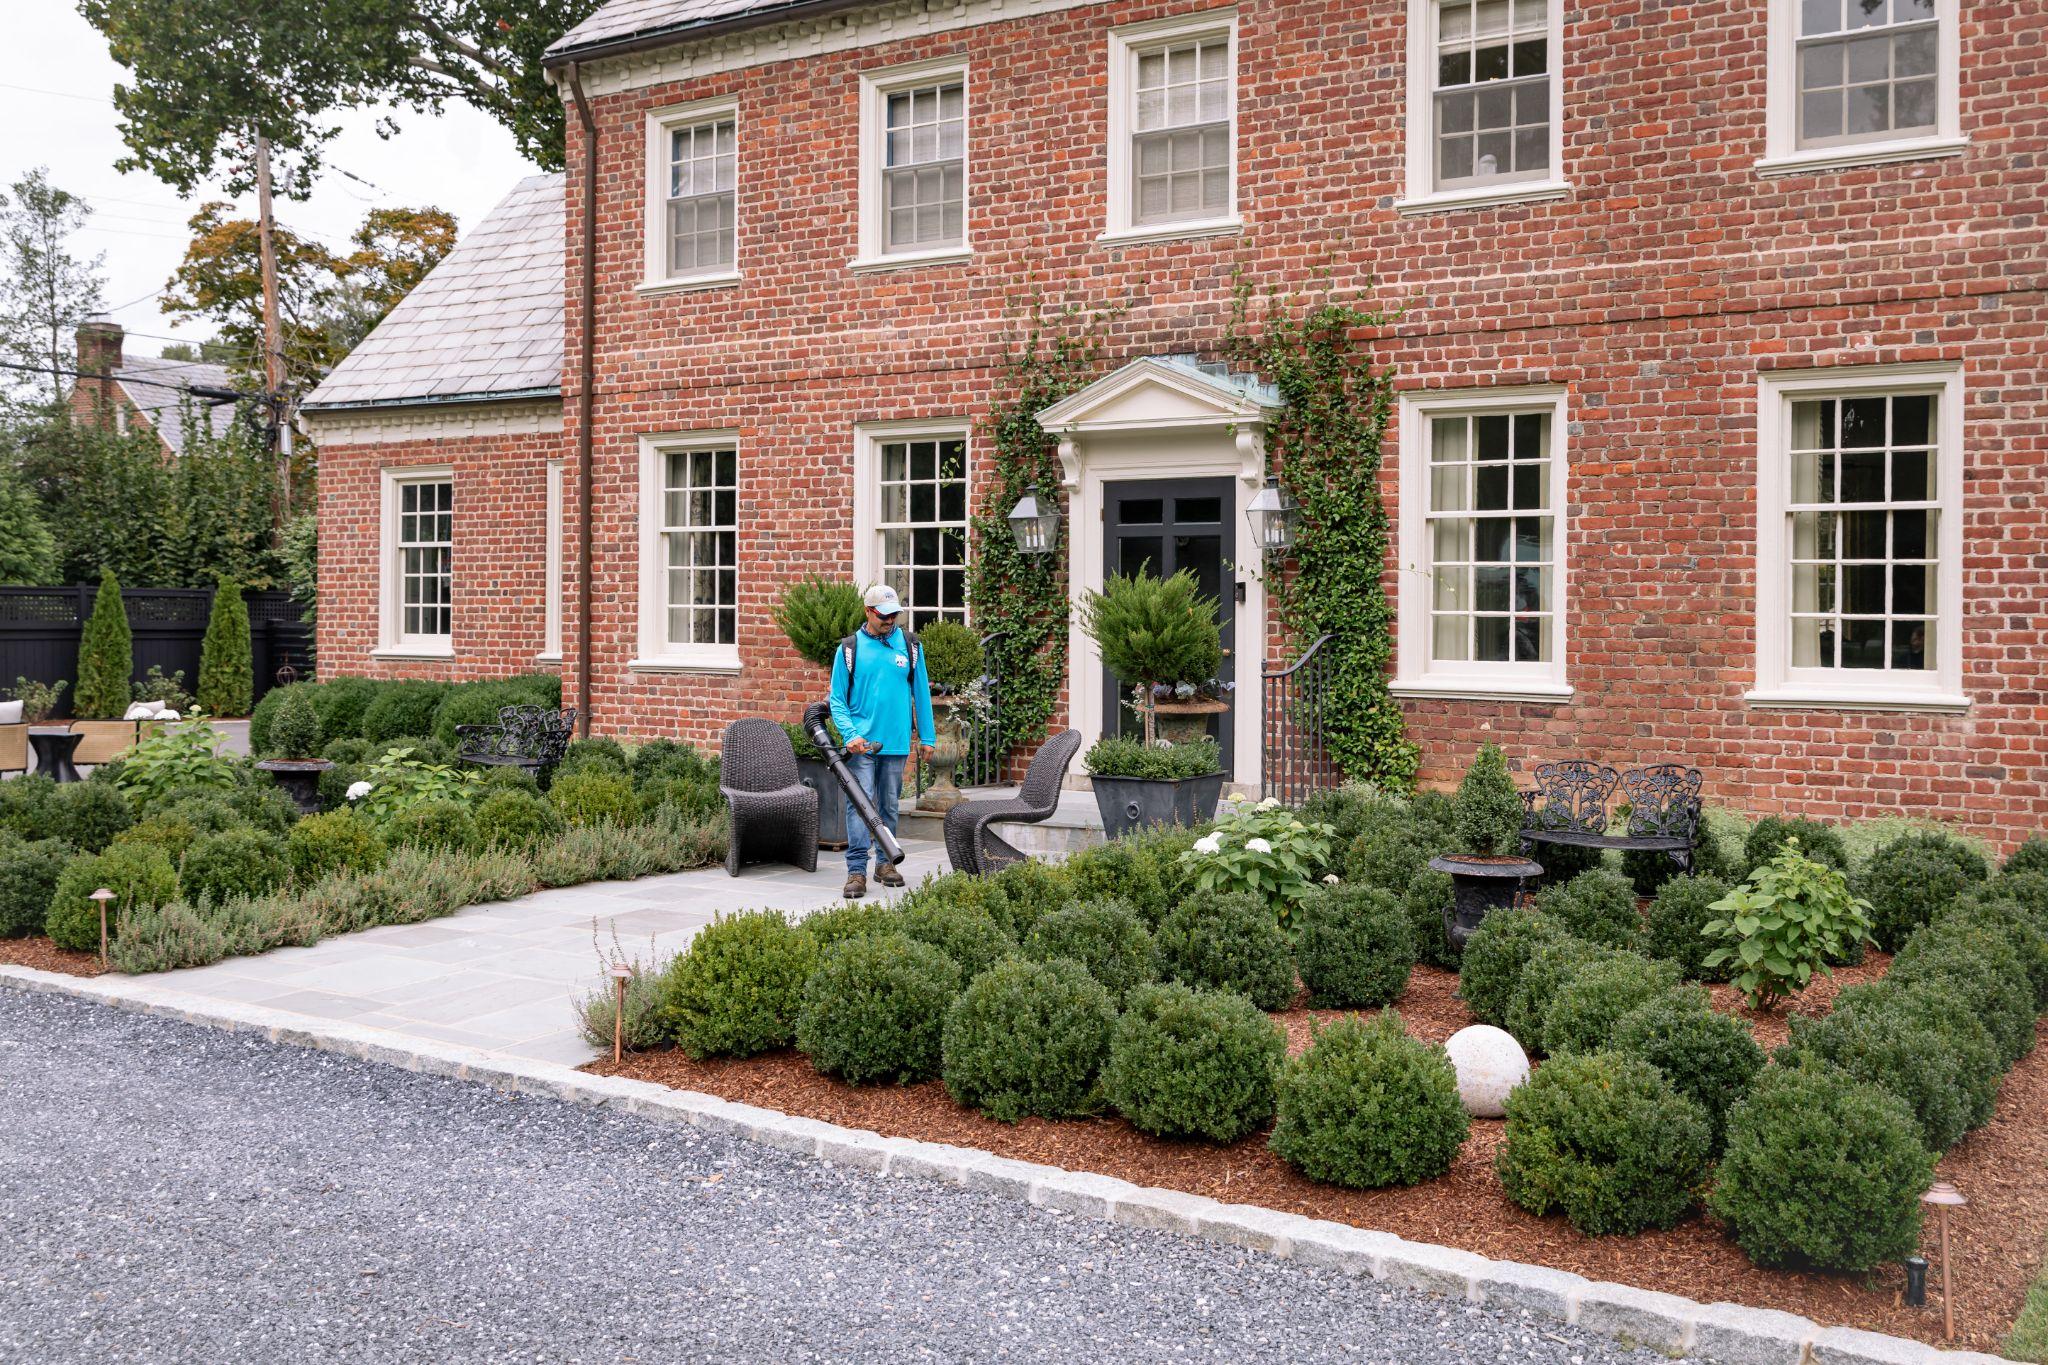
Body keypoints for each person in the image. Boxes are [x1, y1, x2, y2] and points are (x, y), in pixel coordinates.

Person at [828, 584, 935, 899]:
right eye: (883, 615)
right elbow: (837, 701)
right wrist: (850, 735)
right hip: (861, 745)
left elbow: (922, 694)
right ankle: (856, 871)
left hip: (896, 743)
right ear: (868, 611)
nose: (890, 621)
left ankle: (885, 863)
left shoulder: (911, 646)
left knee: (888, 804)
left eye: (894, 615)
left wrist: (927, 737)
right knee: (861, 806)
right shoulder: (849, 649)